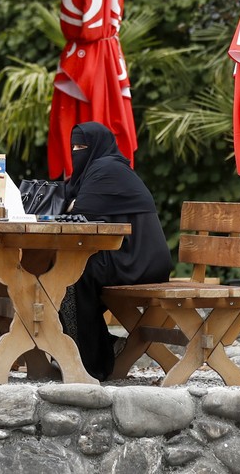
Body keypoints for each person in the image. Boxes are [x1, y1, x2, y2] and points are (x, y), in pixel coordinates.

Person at [60, 121, 172, 380]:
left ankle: (88, 360)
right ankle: (95, 349)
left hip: (140, 260)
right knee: (65, 269)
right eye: (74, 146)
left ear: (97, 146)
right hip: (123, 255)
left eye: (82, 146)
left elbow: (79, 210)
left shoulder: (107, 169)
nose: (77, 151)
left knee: (71, 274)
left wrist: (69, 205)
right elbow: (67, 202)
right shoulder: (96, 169)